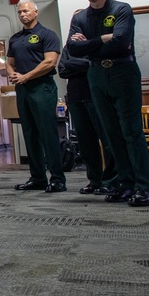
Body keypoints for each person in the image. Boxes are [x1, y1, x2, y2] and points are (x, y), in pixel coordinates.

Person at [68, 0, 149, 207]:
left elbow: (121, 42)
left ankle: (144, 188)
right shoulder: (80, 17)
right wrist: (102, 40)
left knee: (131, 131)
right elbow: (71, 50)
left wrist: (87, 44)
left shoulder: (121, 9)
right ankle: (124, 185)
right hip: (96, 75)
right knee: (112, 133)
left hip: (122, 72)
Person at [7, 0, 65, 193]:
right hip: (23, 90)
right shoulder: (15, 38)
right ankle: (37, 177)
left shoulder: (47, 35)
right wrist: (12, 74)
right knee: (29, 134)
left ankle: (57, 179)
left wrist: (26, 76)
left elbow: (50, 63)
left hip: (42, 87)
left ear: (35, 12)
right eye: (20, 12)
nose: (23, 14)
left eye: (26, 11)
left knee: (47, 133)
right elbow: (9, 62)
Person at [58, 42, 117, 195]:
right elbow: (62, 70)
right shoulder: (69, 48)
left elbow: (99, 65)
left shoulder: (97, 43)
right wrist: (86, 64)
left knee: (108, 142)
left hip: (96, 96)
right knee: (86, 143)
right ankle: (94, 180)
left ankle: (111, 181)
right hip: (75, 99)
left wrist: (75, 64)